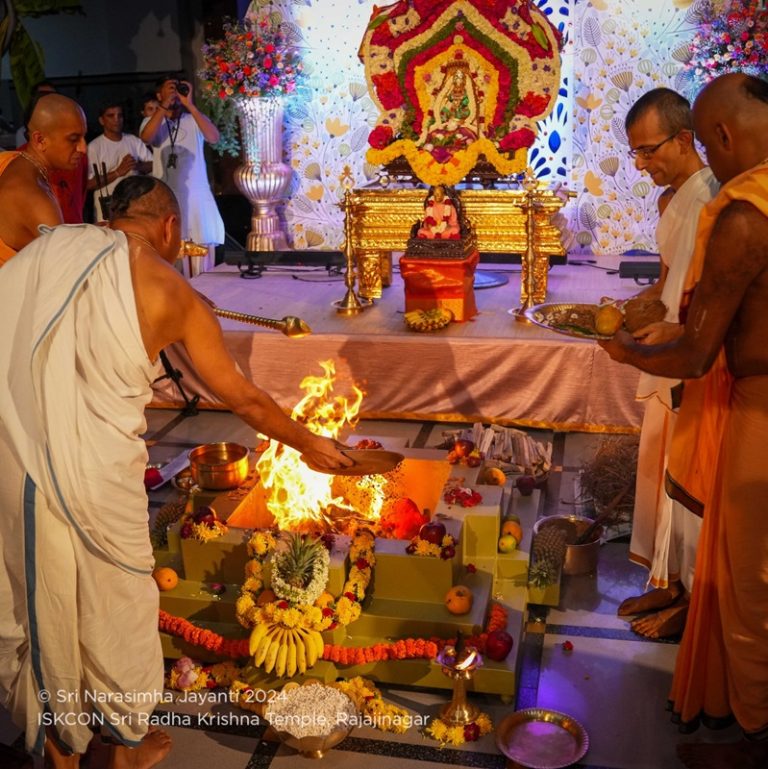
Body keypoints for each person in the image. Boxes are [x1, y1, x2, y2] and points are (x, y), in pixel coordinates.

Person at [0, 175, 352, 769]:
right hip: (96, 476)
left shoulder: (46, 252)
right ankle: (117, 749)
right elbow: (242, 399)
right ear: (168, 226)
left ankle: (57, 745)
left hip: (14, 454)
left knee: (38, 596)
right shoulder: (172, 291)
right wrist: (309, 443)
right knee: (114, 600)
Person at [600, 72, 768, 769]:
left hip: (754, 408)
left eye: (701, 141)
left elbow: (699, 348)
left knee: (744, 578)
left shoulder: (740, 213)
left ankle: (754, 741)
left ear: (718, 138)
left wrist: (620, 348)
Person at [616, 88, 719, 639]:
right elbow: (667, 282)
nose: (642, 164)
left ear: (686, 139)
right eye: (635, 153)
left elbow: (705, 300)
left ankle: (695, 598)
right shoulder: (669, 201)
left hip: (692, 361)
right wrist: (622, 312)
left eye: (649, 151)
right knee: (659, 471)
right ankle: (668, 578)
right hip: (663, 355)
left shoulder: (714, 200)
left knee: (688, 481)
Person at [140, 75, 224, 276]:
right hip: (168, 202)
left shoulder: (193, 120)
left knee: (203, 270)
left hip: (197, 204)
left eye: (177, 89)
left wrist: (191, 105)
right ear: (159, 94)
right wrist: (163, 105)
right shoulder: (152, 122)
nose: (174, 94)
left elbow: (214, 137)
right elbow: (146, 137)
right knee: (173, 269)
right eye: (169, 89)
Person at [0, 94, 86, 265]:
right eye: (73, 139)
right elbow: (67, 267)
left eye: (84, 137)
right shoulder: (34, 197)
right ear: (40, 140)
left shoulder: (14, 162)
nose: (83, 148)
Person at [87, 102, 152, 221]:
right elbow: (88, 184)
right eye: (111, 116)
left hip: (134, 205)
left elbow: (153, 164)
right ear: (101, 120)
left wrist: (136, 166)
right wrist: (117, 172)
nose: (116, 119)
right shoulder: (94, 147)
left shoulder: (133, 140)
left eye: (120, 115)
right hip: (108, 210)